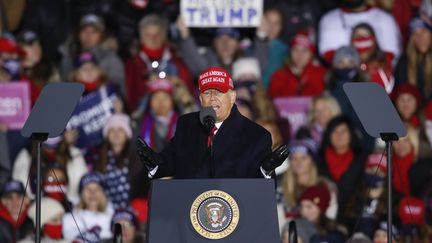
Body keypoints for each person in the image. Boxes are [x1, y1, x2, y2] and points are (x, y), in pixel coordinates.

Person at [137, 67, 288, 179]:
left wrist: (265, 171)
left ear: (232, 97)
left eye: (219, 92)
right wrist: (155, 163)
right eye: (207, 92)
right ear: (201, 99)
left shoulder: (256, 135)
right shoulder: (187, 125)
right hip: (190, 212)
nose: (213, 97)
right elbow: (172, 160)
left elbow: (260, 188)